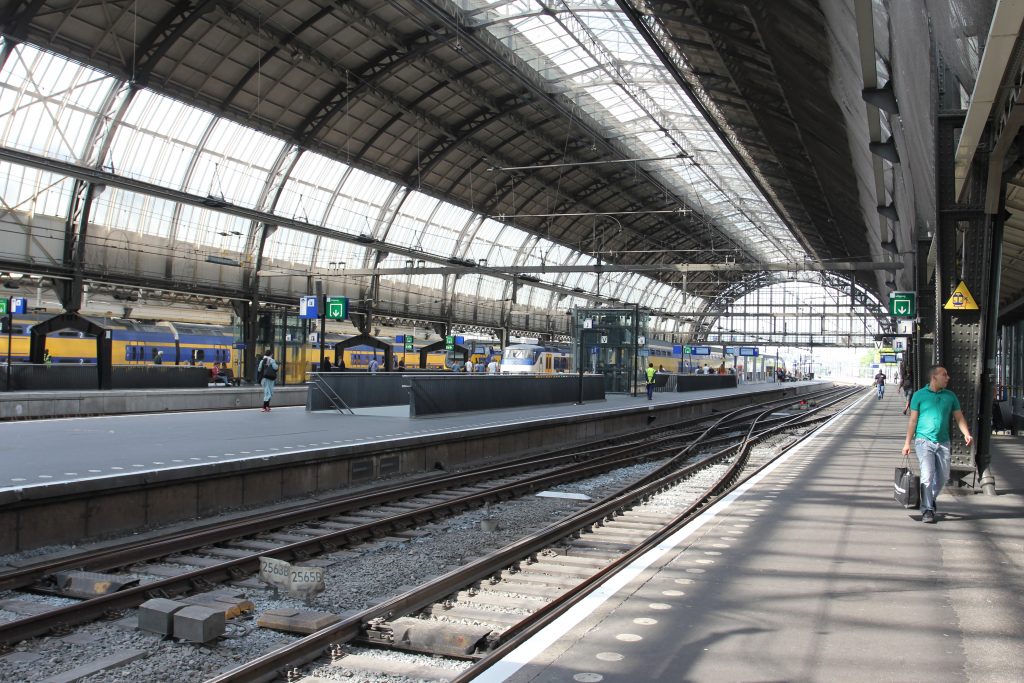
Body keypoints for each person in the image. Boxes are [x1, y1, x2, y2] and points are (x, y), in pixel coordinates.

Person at [902, 365, 973, 523]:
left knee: (943, 476)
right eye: (944, 375)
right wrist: (907, 443)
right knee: (927, 475)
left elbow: (959, 417)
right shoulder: (919, 395)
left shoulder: (950, 396)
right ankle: (927, 509)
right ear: (934, 378)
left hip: (943, 442)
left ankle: (930, 498)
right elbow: (913, 420)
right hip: (923, 441)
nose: (948, 378)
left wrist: (966, 433)